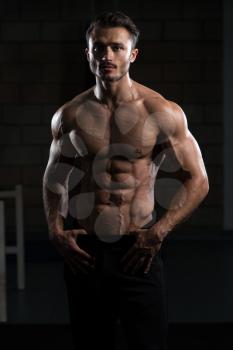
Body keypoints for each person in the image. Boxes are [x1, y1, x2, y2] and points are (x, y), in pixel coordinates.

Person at [42, 11, 209, 350]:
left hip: (138, 247)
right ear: (88, 53)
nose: (107, 56)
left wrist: (159, 232)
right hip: (85, 248)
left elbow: (198, 180)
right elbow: (54, 176)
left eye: (117, 48)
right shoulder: (69, 115)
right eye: (99, 48)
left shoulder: (161, 112)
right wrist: (56, 230)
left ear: (132, 54)